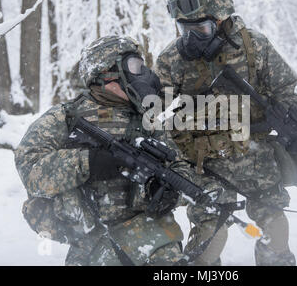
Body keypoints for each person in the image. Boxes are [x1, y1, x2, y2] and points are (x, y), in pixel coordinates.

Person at [156, 0, 297, 266]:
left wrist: (284, 115)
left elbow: (285, 88)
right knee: (209, 241)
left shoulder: (253, 45)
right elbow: (156, 115)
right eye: (183, 29)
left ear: (220, 19)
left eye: (201, 28)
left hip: (256, 158)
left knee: (275, 232)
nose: (191, 38)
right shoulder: (171, 59)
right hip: (204, 165)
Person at [14, 35, 197, 266]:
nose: (142, 74)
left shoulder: (146, 119)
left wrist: (170, 193)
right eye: (133, 66)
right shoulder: (66, 117)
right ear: (107, 74)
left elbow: (179, 167)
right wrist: (88, 162)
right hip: (92, 242)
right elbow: (30, 171)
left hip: (151, 237)